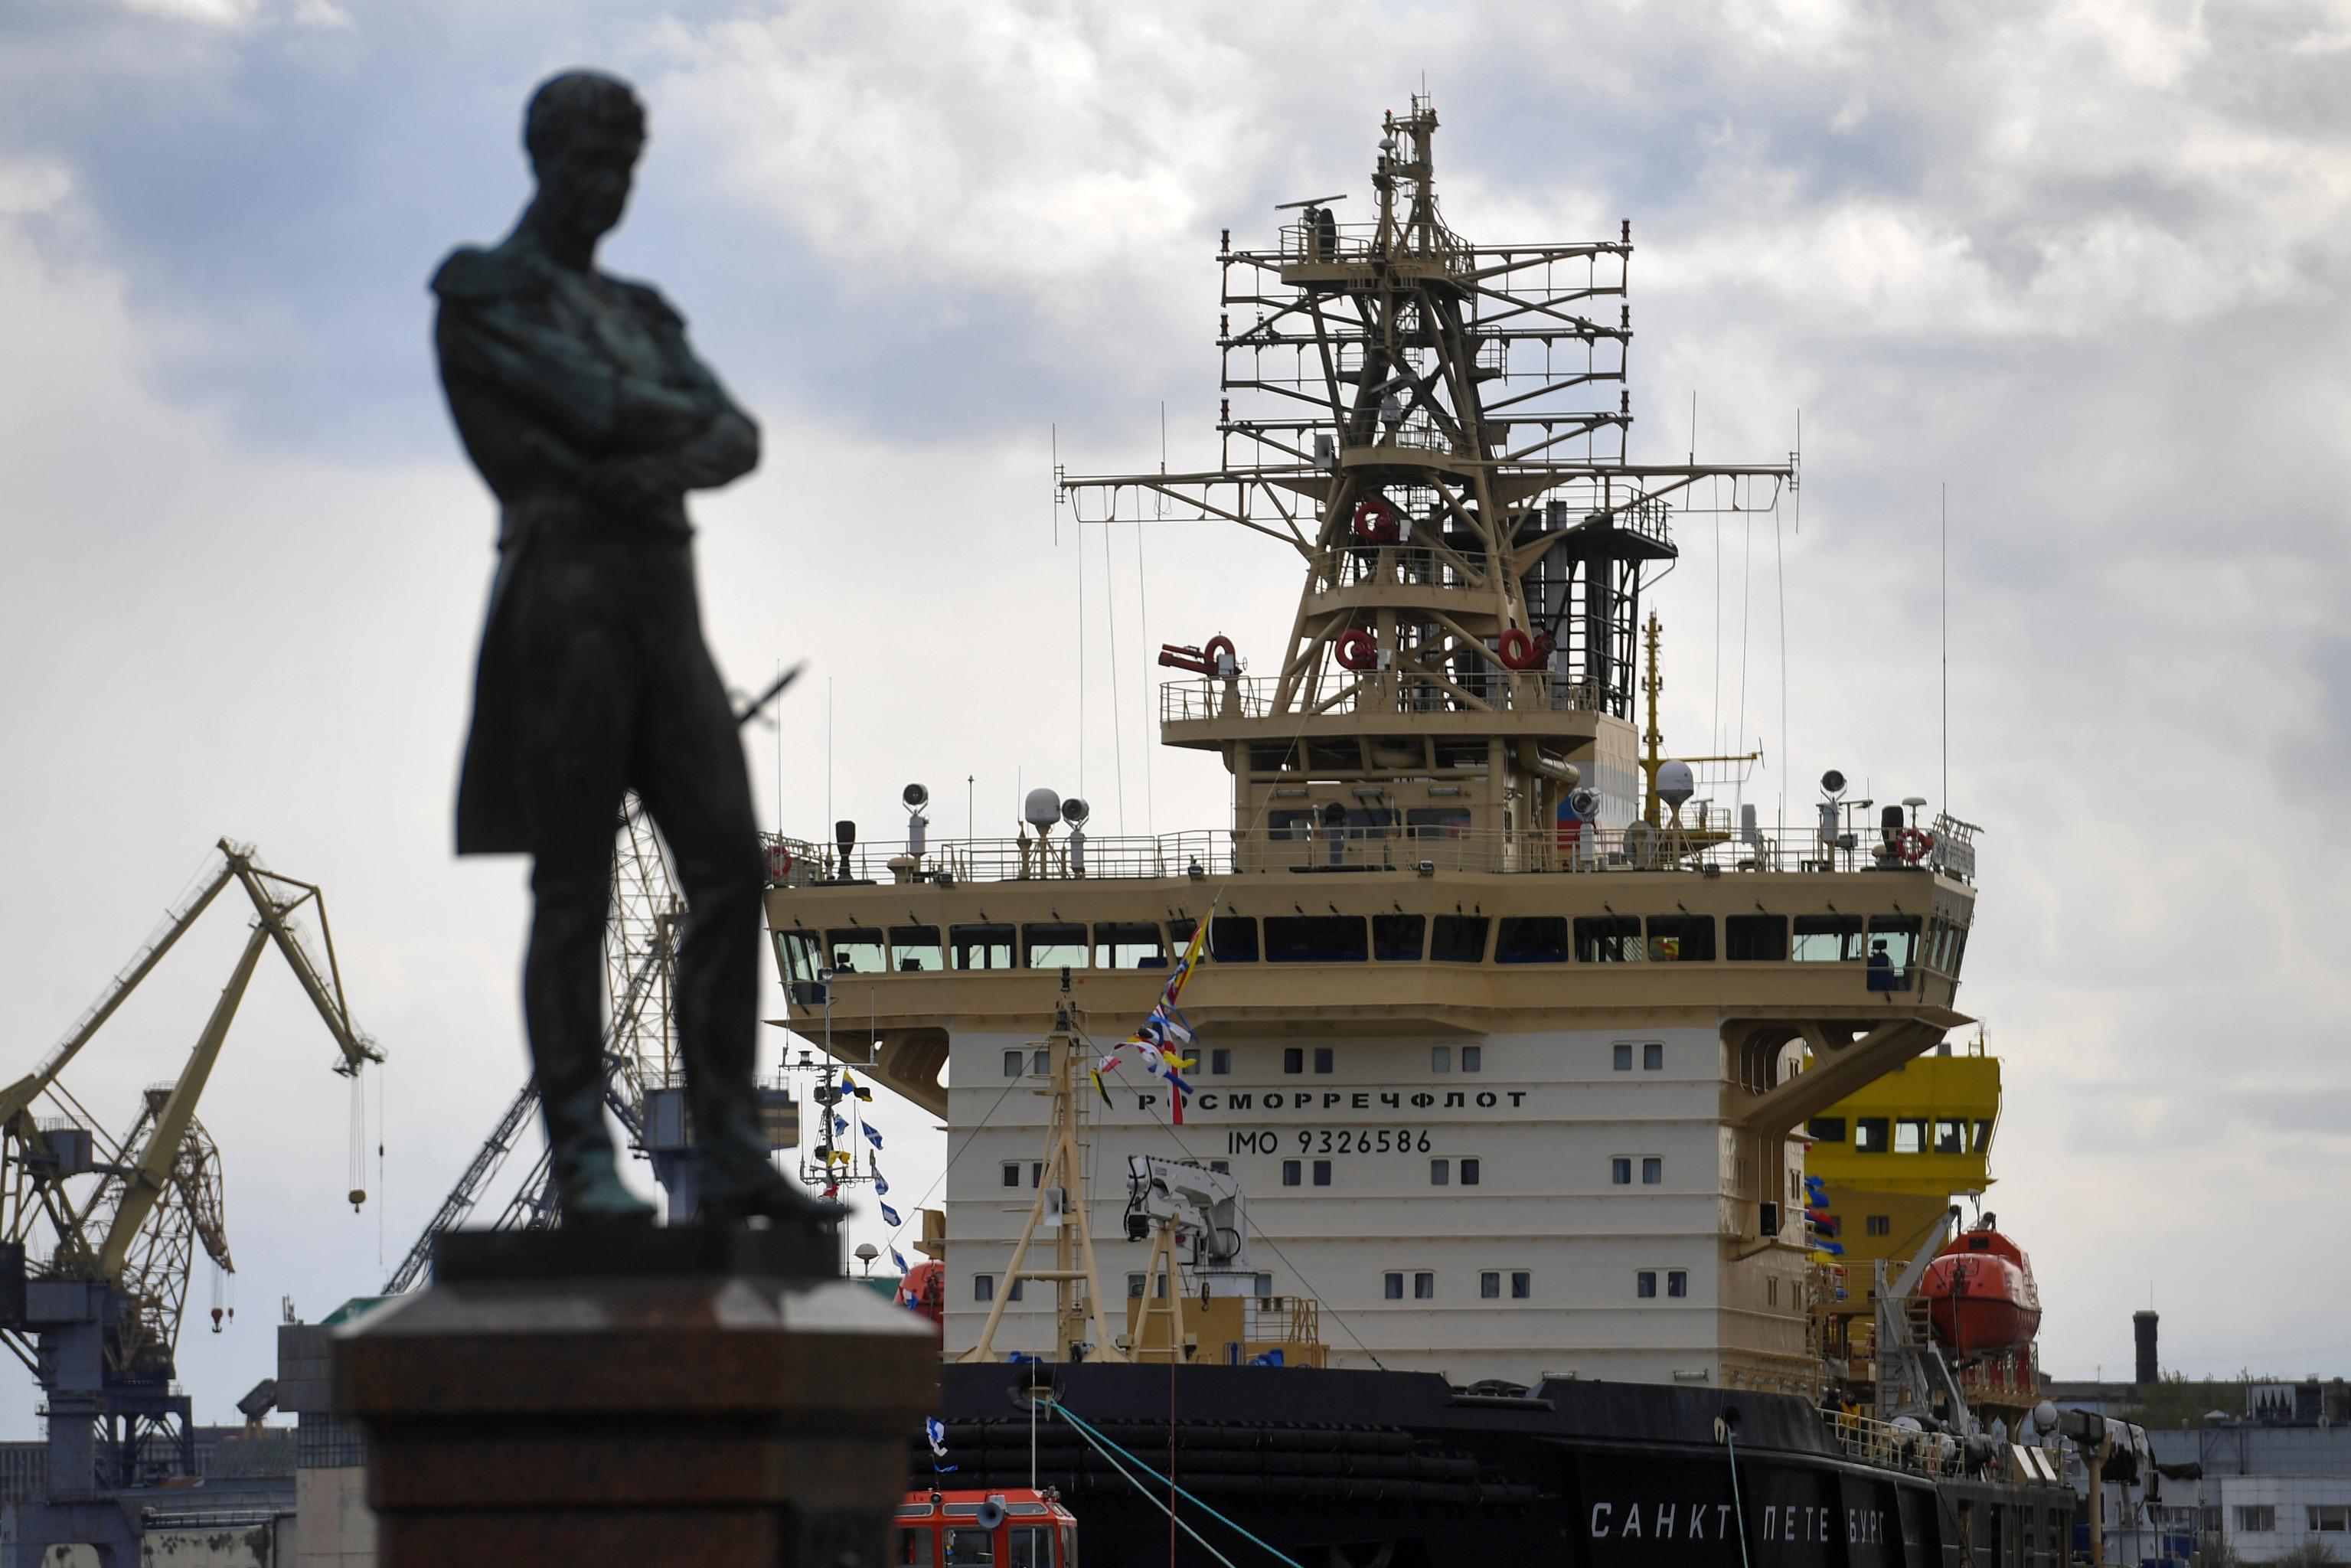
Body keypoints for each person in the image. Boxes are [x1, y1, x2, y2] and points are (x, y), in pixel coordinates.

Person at [433, 70, 840, 1230]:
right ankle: (580, 1158)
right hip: (564, 604)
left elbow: (737, 435)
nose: (607, 189)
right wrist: (652, 421)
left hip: (666, 607)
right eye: (590, 165)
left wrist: (638, 436)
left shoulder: (642, 309)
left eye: (624, 169)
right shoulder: (480, 293)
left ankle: (727, 1141)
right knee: (574, 884)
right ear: (543, 161)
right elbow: (589, 409)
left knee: (729, 867)